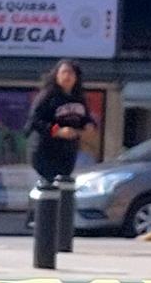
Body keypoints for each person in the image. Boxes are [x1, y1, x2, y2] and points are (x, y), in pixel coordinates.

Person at [26, 58, 98, 236]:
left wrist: (89, 125)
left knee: (63, 188)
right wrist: (57, 130)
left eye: (71, 73)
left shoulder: (79, 98)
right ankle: (40, 225)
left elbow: (85, 118)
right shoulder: (48, 95)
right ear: (56, 75)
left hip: (67, 151)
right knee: (49, 187)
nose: (67, 76)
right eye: (63, 72)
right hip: (44, 150)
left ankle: (60, 234)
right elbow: (34, 121)